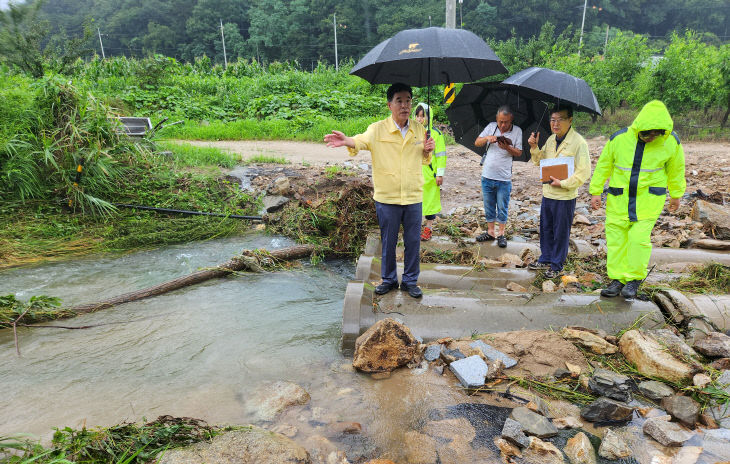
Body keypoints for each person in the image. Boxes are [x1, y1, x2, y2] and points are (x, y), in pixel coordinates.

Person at [324, 83, 434, 298]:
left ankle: (410, 281)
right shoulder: (377, 129)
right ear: (389, 105)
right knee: (389, 241)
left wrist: (428, 150)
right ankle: (389, 279)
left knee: (413, 242)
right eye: (399, 101)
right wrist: (347, 140)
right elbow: (361, 141)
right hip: (387, 197)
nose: (405, 105)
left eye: (408, 100)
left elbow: (425, 159)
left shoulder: (419, 129)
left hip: (413, 195)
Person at [589, 100, 685, 299]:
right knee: (616, 240)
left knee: (638, 240)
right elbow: (603, 166)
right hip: (619, 199)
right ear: (638, 128)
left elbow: (676, 170)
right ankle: (617, 279)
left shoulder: (671, 142)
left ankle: (633, 279)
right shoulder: (619, 139)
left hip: (648, 201)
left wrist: (676, 195)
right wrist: (596, 191)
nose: (651, 137)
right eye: (647, 133)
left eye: (656, 133)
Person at [527, 105, 591, 279]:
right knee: (546, 228)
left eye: (560, 119)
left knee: (561, 231)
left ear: (570, 120)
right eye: (552, 120)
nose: (555, 123)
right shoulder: (550, 140)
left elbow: (584, 172)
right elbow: (540, 162)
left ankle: (556, 265)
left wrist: (563, 183)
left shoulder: (579, 142)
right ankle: (546, 258)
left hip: (565, 196)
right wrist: (534, 147)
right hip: (548, 193)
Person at [474, 106, 523, 248]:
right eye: (500, 121)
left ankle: (501, 234)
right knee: (489, 206)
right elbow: (477, 142)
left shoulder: (517, 131)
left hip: (504, 178)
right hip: (487, 175)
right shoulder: (491, 127)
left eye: (506, 122)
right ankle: (490, 232)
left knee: (502, 207)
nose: (503, 125)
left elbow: (519, 152)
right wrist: (488, 138)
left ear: (511, 120)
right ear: (496, 119)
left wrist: (507, 147)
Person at [414, 103, 447, 241]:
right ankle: (414, 228)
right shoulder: (411, 132)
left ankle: (428, 228)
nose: (420, 119)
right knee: (414, 201)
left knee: (430, 202)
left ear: (429, 117)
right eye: (417, 115)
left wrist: (439, 174)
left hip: (430, 174)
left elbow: (441, 155)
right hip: (415, 174)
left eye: (423, 116)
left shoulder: (435, 134)